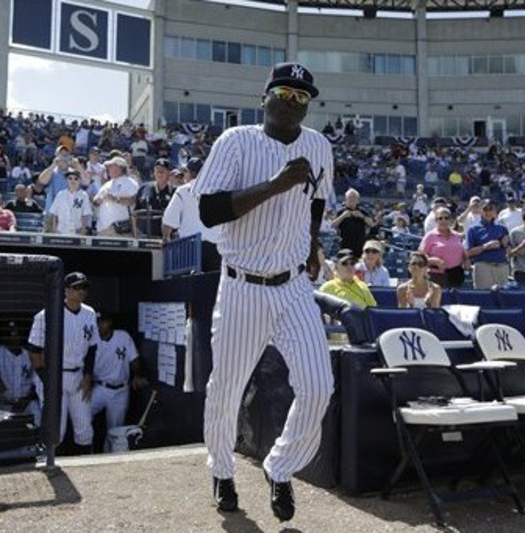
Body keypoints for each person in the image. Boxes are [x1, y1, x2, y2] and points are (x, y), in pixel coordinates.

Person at [193, 62, 334, 522]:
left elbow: (315, 203)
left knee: (318, 387)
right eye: (285, 92)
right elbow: (210, 210)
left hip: (293, 285)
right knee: (227, 388)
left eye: (302, 96)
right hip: (242, 284)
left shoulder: (318, 146)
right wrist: (275, 186)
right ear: (265, 97)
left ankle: (279, 466)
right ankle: (222, 469)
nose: (293, 102)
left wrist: (313, 245)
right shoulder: (235, 142)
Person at [28, 272, 99, 454]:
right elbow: (34, 351)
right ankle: (49, 467)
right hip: (54, 375)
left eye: (84, 287)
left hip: (78, 375)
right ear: (65, 290)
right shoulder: (47, 314)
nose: (81, 291)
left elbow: (92, 347)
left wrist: (88, 375)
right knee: (56, 431)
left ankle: (86, 470)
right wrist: (48, 381)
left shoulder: (89, 313)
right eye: (76, 287)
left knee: (85, 431)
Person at [90, 310, 147, 447]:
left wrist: (137, 375)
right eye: (96, 322)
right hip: (99, 387)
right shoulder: (91, 340)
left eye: (102, 321)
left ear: (109, 322)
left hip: (120, 390)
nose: (99, 325)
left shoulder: (122, 337)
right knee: (82, 414)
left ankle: (107, 458)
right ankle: (86, 451)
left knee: (114, 431)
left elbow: (135, 360)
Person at [161, 157, 222, 272]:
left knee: (189, 286)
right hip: (215, 249)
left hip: (190, 249)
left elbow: (168, 221)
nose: (184, 176)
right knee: (212, 286)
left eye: (185, 172)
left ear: (192, 173)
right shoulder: (218, 191)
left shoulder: (183, 191)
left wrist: (165, 240)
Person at [0, 320, 41, 426]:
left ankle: (38, 440)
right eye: (9, 334)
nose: (13, 337)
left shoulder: (28, 355)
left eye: (15, 333)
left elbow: (36, 383)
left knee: (37, 411)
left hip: (25, 403)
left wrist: (26, 400)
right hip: (6, 403)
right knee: (4, 426)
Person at [464, 200, 509, 289]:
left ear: (494, 211)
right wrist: (485, 247)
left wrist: (506, 244)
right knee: (483, 297)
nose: (488, 212)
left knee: (504, 297)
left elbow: (508, 250)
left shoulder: (502, 228)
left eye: (490, 209)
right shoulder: (473, 229)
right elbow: (468, 252)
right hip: (483, 266)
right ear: (480, 211)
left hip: (501, 266)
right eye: (485, 209)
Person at [420, 206, 469, 289]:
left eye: (446, 218)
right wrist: (433, 260)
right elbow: (419, 257)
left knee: (455, 301)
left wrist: (466, 260)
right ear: (436, 220)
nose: (443, 220)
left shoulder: (457, 236)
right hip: (435, 275)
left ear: (450, 220)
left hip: (456, 275)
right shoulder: (430, 236)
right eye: (440, 218)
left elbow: (463, 252)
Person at [94, 156, 139, 237]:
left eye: (111, 166)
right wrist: (97, 200)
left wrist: (115, 199)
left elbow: (134, 201)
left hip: (120, 230)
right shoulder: (108, 184)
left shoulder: (130, 183)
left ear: (120, 168)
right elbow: (96, 201)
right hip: (103, 229)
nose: (108, 169)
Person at [134, 158, 174, 238]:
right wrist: (135, 234)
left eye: (163, 171)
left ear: (169, 173)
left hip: (166, 238)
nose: (159, 174)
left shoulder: (174, 191)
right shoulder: (144, 188)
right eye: (157, 171)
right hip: (144, 235)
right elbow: (136, 213)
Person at [48, 169, 93, 235]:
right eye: (70, 178)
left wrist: (83, 230)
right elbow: (54, 214)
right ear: (67, 180)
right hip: (61, 230)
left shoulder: (84, 195)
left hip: (77, 230)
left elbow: (86, 215)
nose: (73, 181)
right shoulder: (61, 194)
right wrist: (54, 229)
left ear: (80, 181)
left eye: (76, 179)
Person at [331, 188, 372, 258]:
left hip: (360, 245)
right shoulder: (341, 211)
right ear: (346, 199)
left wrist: (362, 216)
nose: (352, 200)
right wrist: (343, 216)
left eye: (354, 198)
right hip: (345, 244)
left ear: (357, 200)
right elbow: (333, 224)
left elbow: (371, 223)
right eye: (349, 198)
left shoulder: (363, 211)